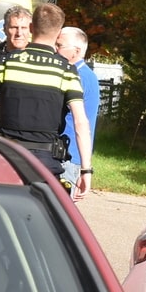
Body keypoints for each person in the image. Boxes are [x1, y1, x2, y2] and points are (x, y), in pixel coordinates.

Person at [0, 3, 91, 182]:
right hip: (45, 163)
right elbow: (80, 123)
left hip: (7, 157)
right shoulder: (66, 71)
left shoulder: (4, 62)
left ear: (31, 28)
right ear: (58, 33)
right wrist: (86, 170)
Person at [56, 26, 104, 193]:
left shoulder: (77, 76)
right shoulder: (85, 74)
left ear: (76, 51)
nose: (55, 49)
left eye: (59, 45)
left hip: (67, 157)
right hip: (71, 155)